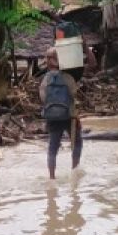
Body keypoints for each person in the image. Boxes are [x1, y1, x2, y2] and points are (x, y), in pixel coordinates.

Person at [39, 48, 83, 179]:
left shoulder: (45, 79)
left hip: (52, 117)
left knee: (53, 147)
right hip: (69, 116)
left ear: (48, 61)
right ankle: (74, 170)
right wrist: (76, 116)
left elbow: (43, 98)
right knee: (77, 143)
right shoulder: (68, 78)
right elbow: (73, 96)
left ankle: (52, 177)